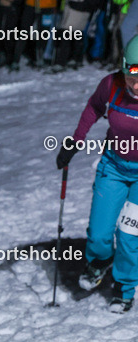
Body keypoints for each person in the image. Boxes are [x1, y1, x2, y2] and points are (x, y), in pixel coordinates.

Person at [56, 35, 138, 313]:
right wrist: (75, 141)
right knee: (100, 234)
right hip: (114, 167)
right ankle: (99, 263)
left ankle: (124, 289)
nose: (136, 86)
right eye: (132, 76)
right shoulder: (112, 85)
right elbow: (93, 108)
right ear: (124, 69)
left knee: (128, 236)